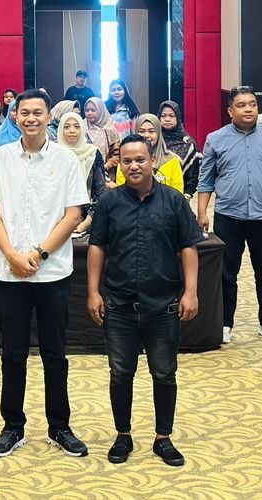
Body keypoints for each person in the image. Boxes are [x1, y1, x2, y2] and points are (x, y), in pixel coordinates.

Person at [0, 89, 89, 459]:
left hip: (52, 272)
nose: (31, 118)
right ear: (15, 116)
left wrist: (39, 254)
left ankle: (60, 426)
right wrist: (12, 255)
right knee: (13, 354)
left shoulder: (66, 159)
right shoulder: (0, 158)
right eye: (24, 112)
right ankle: (13, 426)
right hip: (8, 273)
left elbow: (73, 214)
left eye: (37, 112)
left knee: (55, 354)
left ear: (48, 116)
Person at [87, 133, 201, 468]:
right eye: (127, 161)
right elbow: (97, 247)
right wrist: (93, 291)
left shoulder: (174, 201)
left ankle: (163, 438)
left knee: (164, 373)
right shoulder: (109, 203)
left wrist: (191, 291)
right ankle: (122, 435)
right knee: (120, 373)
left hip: (163, 304)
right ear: (120, 165)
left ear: (153, 161)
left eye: (140, 159)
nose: (134, 166)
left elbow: (188, 247)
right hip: (119, 305)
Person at [195, 87, 262, 344]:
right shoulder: (216, 139)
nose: (248, 109)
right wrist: (202, 212)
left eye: (252, 104)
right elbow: (206, 180)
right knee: (226, 273)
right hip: (229, 215)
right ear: (230, 111)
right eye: (241, 105)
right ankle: (225, 323)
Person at [56, 110, 109, 229]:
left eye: (77, 126)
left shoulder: (92, 153)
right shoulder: (54, 154)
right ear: (60, 130)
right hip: (57, 220)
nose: (72, 131)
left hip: (88, 218)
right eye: (67, 127)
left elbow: (100, 193)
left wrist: (86, 223)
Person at [112, 114, 185, 194]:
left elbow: (177, 193)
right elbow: (122, 191)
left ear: (158, 133)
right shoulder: (126, 161)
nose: (146, 135)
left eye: (151, 131)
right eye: (142, 131)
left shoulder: (172, 160)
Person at [157, 101, 202, 193]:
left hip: (180, 194)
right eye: (163, 116)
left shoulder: (188, 144)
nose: (167, 119)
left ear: (177, 117)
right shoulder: (154, 142)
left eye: (171, 116)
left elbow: (194, 176)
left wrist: (187, 195)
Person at [84, 97, 121, 170]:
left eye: (93, 110)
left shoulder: (110, 130)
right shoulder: (81, 127)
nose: (89, 113)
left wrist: (106, 166)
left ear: (101, 110)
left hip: (107, 171)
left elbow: (117, 154)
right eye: (87, 110)